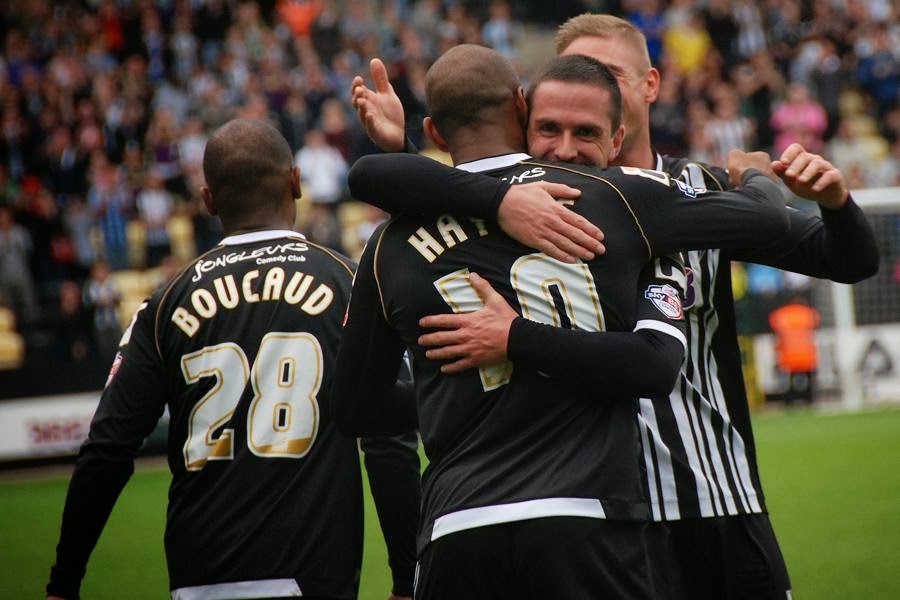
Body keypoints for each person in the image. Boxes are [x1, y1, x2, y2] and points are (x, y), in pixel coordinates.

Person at [349, 14, 879, 600]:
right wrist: (492, 195)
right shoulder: (530, 197)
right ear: (524, 112)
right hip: (601, 509)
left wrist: (834, 202)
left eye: (604, 78)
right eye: (548, 125)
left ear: (645, 90)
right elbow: (396, 182)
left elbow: (845, 258)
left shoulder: (690, 191)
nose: (565, 146)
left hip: (710, 496)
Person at [46, 119, 418, 600]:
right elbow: (389, 443)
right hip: (313, 576)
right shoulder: (349, 286)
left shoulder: (165, 304)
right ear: (295, 182)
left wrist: (63, 584)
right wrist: (405, 580)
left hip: (199, 580)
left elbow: (106, 450)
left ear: (208, 200)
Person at [769, 296, 821, 405]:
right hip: (806, 353)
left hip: (788, 353)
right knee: (809, 379)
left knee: (789, 381)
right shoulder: (808, 313)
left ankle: (789, 400)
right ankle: (809, 399)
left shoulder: (781, 314)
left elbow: (775, 327)